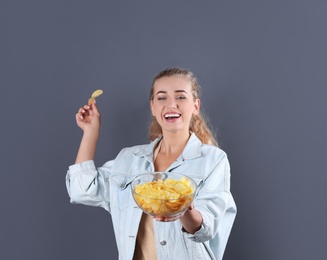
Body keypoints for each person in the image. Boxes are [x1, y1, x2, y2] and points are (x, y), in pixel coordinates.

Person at [66, 68, 237, 260]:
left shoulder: (213, 160)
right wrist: (90, 132)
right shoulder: (129, 159)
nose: (171, 104)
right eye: (162, 98)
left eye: (181, 97)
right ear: (153, 107)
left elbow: (206, 227)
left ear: (195, 106)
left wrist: (182, 210)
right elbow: (82, 190)